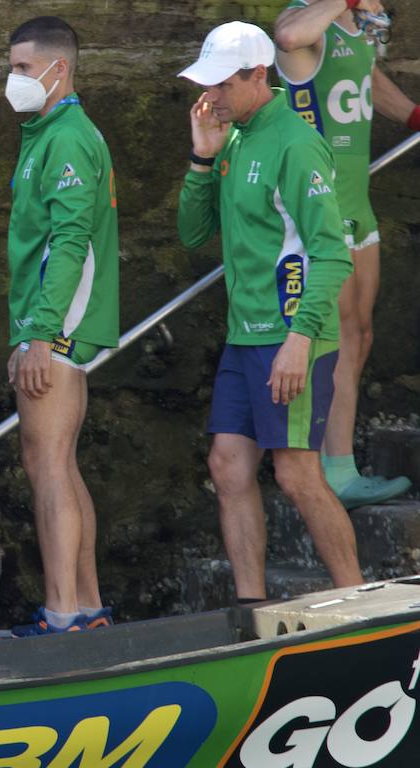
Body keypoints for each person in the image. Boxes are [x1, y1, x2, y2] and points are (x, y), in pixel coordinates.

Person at [177, 22, 363, 603]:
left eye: (222, 84)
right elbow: (193, 235)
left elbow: (333, 254)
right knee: (228, 466)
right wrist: (202, 159)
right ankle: (251, 608)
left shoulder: (295, 142)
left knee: (297, 474)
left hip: (289, 334)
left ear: (259, 76)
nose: (210, 97)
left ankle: (357, 602)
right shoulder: (232, 135)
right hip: (244, 335)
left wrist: (300, 338)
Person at [2, 17, 119, 636]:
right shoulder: (46, 131)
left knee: (45, 460)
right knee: (61, 463)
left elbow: (70, 242)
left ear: (58, 68)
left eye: (22, 68)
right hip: (51, 319)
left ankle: (63, 613)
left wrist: (41, 335)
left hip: (57, 321)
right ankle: (87, 605)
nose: (12, 80)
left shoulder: (68, 137)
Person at [274, 0, 416, 508]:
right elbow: (288, 37)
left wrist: (415, 115)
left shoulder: (355, 25)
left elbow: (365, 81)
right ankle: (322, 470)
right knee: (327, 336)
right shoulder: (305, 17)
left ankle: (340, 468)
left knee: (359, 331)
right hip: (320, 200)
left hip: (358, 198)